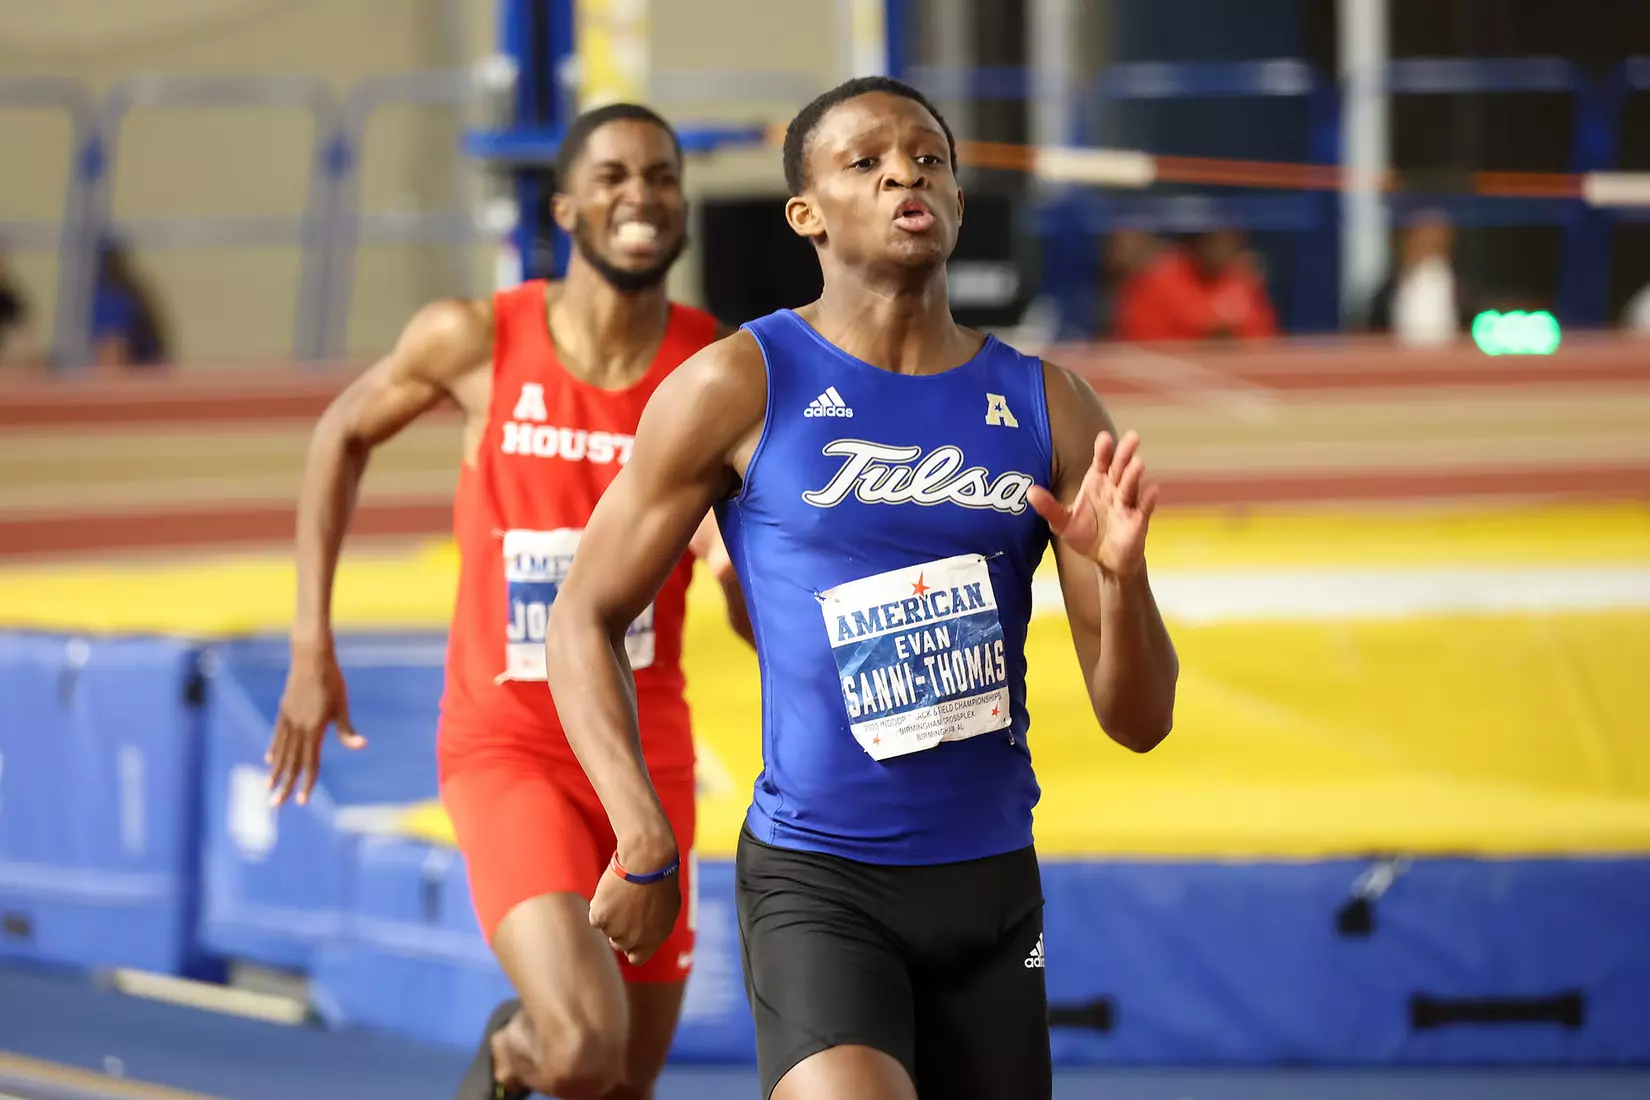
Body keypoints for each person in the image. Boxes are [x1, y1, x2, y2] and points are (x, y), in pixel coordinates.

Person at [543, 76, 1180, 1100]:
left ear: (961, 203)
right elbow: (581, 616)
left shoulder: (1046, 404)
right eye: (866, 162)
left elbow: (1138, 719)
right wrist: (641, 822)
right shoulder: (740, 383)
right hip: (818, 882)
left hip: (992, 891)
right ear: (807, 214)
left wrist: (1126, 573)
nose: (903, 174)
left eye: (928, 158)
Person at [263, 102, 751, 1100]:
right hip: (510, 743)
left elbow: (734, 550)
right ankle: (508, 1049)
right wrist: (311, 643)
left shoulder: (716, 369)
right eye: (613, 176)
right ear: (566, 205)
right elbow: (339, 437)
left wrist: (743, 579)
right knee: (576, 1043)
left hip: (643, 757)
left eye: (661, 176)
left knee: (622, 1080)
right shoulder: (478, 337)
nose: (641, 195)